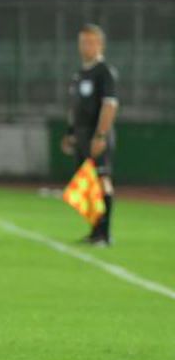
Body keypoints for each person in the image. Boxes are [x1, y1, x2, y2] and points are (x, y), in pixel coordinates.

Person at [61, 23, 119, 246]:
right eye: (82, 42)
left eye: (90, 41)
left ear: (100, 44)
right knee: (87, 184)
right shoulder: (79, 74)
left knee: (103, 179)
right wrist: (71, 133)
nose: (86, 46)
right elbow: (75, 108)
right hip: (82, 136)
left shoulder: (104, 72)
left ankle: (105, 233)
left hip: (97, 136)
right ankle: (95, 231)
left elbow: (110, 105)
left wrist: (101, 135)